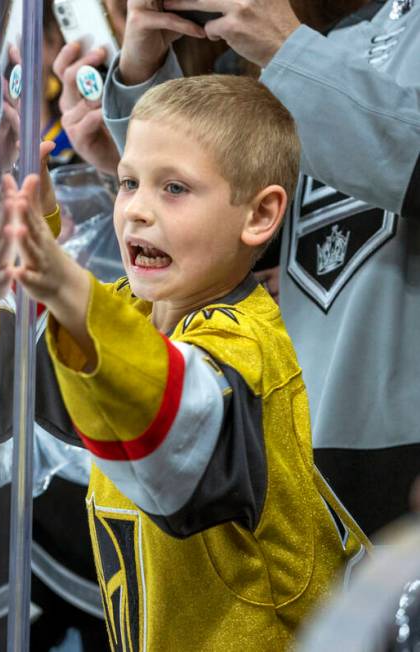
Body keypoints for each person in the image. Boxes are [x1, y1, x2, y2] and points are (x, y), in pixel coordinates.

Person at [0, 74, 368, 649]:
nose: (137, 211)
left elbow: (174, 426)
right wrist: (32, 226)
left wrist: (69, 289)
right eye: (127, 183)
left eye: (173, 188)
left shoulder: (246, 346)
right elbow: (51, 369)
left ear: (260, 216)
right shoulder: (135, 312)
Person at [87, 0, 420, 536]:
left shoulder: (303, 40)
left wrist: (288, 50)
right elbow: (213, 222)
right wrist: (143, 74)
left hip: (394, 449)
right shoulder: (323, 34)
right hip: (289, 437)